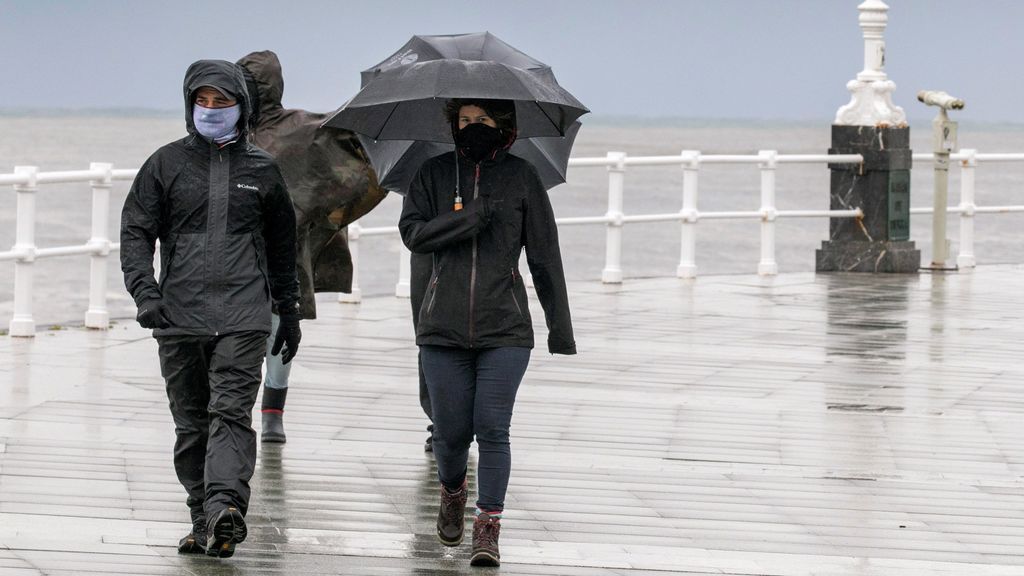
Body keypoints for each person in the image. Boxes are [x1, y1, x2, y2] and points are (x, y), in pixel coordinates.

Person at [120, 59, 301, 559]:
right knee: (191, 422)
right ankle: (203, 517)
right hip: (178, 316)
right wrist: (146, 292)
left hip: (244, 314)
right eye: (202, 101)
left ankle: (226, 507)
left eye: (222, 102)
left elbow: (283, 246)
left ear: (242, 107)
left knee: (230, 412)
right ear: (188, 104)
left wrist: (288, 311)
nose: (211, 110)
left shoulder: (262, 169)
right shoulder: (165, 164)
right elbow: (136, 231)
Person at [399, 98, 576, 567]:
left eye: (483, 120)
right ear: (452, 126)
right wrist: (467, 219)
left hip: (506, 329)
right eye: (464, 120)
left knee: (493, 429)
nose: (473, 127)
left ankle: (488, 527)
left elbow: (544, 257)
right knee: (451, 434)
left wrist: (561, 328)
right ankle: (453, 490)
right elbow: (413, 234)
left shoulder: (523, 178)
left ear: (504, 124)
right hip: (442, 329)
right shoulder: (432, 174)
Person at [235, 50, 387, 443]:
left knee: (280, 325)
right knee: (236, 327)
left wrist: (379, 100)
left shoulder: (298, 126)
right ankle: (234, 406)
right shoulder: (228, 131)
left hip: (287, 243)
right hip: (235, 246)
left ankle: (272, 409)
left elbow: (343, 133)